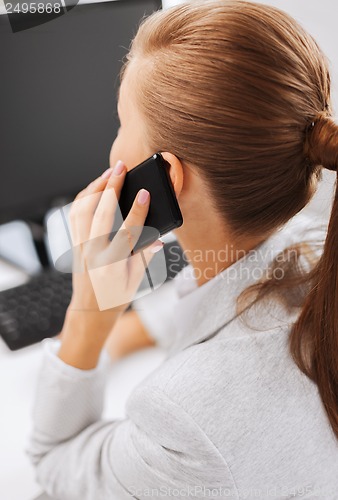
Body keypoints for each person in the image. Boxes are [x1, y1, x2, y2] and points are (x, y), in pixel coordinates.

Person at [27, 1, 338, 498]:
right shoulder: (315, 246)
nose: (112, 147)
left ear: (165, 177)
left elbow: (53, 466)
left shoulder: (189, 417)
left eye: (120, 122)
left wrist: (89, 313)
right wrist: (129, 332)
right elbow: (227, 299)